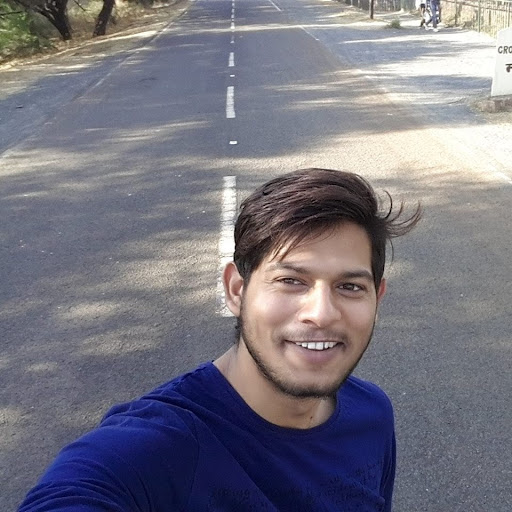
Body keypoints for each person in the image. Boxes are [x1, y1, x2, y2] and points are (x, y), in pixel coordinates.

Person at [18, 168, 421, 512]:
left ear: (377, 298)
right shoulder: (158, 449)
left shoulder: (373, 414)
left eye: (350, 287)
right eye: (290, 281)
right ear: (236, 291)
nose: (321, 313)